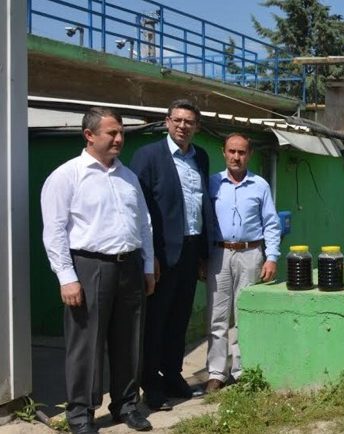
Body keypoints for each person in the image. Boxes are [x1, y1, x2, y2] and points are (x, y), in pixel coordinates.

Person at [40, 107, 155, 433]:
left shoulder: (128, 177)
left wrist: (148, 265)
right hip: (90, 267)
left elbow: (144, 224)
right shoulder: (67, 176)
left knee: (129, 340)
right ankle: (81, 414)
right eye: (112, 133)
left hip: (129, 266)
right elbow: (54, 231)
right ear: (89, 135)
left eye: (121, 133)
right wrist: (67, 277)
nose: (119, 139)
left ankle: (126, 405)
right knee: (86, 345)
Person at [130, 99, 213, 410]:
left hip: (190, 250)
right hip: (162, 253)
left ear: (197, 127)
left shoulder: (200, 156)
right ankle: (151, 383)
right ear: (167, 122)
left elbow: (201, 206)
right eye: (177, 120)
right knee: (156, 321)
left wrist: (203, 253)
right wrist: (148, 256)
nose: (182, 126)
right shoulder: (149, 156)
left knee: (179, 317)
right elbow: (139, 209)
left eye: (189, 121)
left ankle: (172, 373)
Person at [205, 133, 281, 393]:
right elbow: (205, 222)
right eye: (232, 151)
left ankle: (241, 371)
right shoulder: (213, 183)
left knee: (243, 314)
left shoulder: (260, 185)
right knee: (217, 316)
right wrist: (202, 258)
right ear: (223, 152)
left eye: (241, 152)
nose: (236, 157)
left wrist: (272, 257)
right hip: (219, 254)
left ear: (249, 155)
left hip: (250, 254)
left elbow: (271, 223)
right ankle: (216, 372)